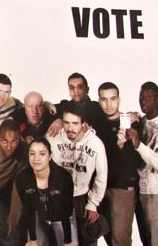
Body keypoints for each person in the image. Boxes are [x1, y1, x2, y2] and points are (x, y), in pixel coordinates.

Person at [124, 81, 158, 246]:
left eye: (149, 97)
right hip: (144, 191)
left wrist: (138, 145)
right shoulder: (142, 121)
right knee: (148, 241)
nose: (144, 101)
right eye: (141, 97)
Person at [47, 104, 107, 246]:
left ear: (84, 124)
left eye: (75, 123)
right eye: (66, 123)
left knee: (87, 239)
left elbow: (102, 176)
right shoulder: (53, 138)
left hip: (81, 198)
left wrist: (93, 203)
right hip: (58, 197)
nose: (70, 128)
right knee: (62, 241)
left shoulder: (95, 143)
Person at [96, 82, 143, 246]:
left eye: (113, 99)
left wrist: (122, 146)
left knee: (120, 239)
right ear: (99, 100)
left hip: (121, 187)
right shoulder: (96, 121)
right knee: (106, 235)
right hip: (100, 188)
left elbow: (138, 159)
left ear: (119, 100)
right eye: (104, 99)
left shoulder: (131, 122)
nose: (109, 104)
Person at [16, 137, 77, 246]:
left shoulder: (63, 177)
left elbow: (66, 210)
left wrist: (68, 240)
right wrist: (33, 238)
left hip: (62, 217)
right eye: (32, 154)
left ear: (49, 156)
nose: (36, 158)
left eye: (42, 154)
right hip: (38, 214)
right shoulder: (22, 178)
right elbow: (28, 208)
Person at [48, 73, 110, 144]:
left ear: (87, 89)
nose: (76, 91)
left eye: (80, 87)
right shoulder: (64, 105)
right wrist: (47, 104)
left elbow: (105, 136)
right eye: (72, 88)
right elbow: (43, 108)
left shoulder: (97, 107)